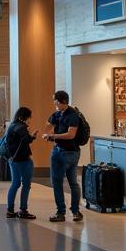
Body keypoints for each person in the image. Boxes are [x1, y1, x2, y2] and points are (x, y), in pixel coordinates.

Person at [42, 90, 84, 222]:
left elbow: (71, 134)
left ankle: (61, 212)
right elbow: (48, 125)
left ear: (62, 101)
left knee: (57, 181)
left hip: (66, 152)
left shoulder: (72, 115)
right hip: (69, 151)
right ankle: (76, 211)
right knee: (73, 182)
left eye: (55, 101)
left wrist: (53, 136)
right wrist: (48, 132)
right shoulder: (58, 113)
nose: (54, 102)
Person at [3, 107, 38, 220]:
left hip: (12, 159)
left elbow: (20, 141)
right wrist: (32, 137)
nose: (30, 120)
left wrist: (30, 137)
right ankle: (23, 210)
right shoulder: (21, 127)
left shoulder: (12, 126)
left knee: (15, 183)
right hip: (23, 160)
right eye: (29, 117)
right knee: (26, 184)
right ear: (24, 117)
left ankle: (10, 210)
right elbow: (25, 140)